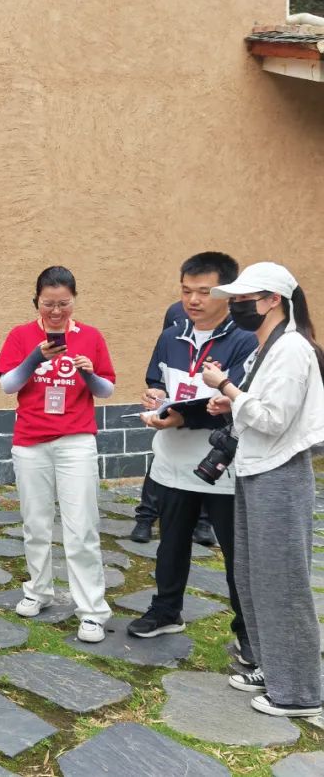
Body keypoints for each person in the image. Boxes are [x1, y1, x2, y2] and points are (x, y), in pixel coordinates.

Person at [202, 262, 324, 717]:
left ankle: (299, 692)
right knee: (253, 576)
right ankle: (272, 668)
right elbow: (261, 408)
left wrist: (226, 386)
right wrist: (230, 401)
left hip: (280, 473)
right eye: (234, 299)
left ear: (274, 300)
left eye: (243, 299)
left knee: (282, 582)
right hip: (257, 469)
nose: (236, 306)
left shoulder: (291, 349)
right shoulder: (266, 347)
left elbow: (274, 419)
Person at [126, 253, 256, 662]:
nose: (193, 300)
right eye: (186, 291)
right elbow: (156, 379)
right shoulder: (173, 334)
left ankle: (248, 631)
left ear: (227, 293)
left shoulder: (245, 340)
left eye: (203, 292)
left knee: (236, 554)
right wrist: (156, 397)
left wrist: (185, 415)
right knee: (171, 542)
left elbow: (240, 400)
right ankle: (166, 611)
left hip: (222, 465)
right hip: (173, 461)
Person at [0, 266, 115, 643]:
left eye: (64, 303)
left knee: (82, 527)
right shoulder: (21, 335)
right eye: (49, 304)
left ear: (74, 300)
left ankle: (92, 610)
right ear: (37, 301)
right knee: (36, 523)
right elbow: (8, 385)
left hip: (76, 440)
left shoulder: (91, 336)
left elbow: (106, 390)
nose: (57, 311)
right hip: (30, 440)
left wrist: (88, 374)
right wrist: (35, 356)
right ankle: (38, 590)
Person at [131, 299, 219, 547]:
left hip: (208, 409)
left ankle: (203, 522)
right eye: (188, 289)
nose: (195, 298)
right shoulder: (175, 313)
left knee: (208, 461)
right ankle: (146, 517)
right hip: (175, 404)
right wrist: (156, 391)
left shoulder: (229, 322)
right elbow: (159, 370)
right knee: (161, 459)